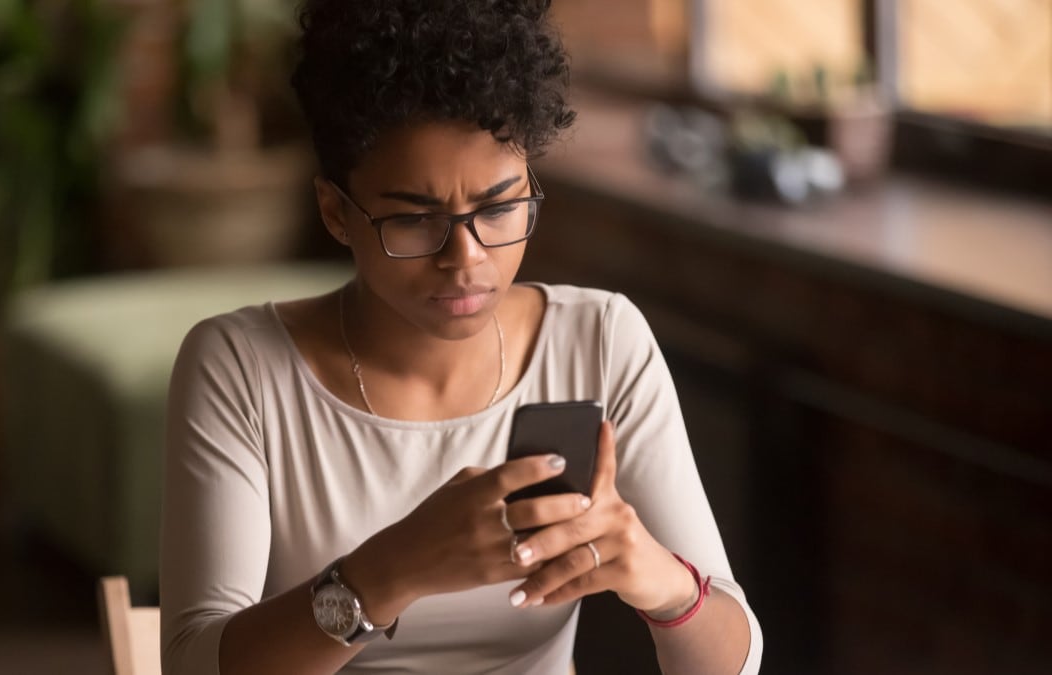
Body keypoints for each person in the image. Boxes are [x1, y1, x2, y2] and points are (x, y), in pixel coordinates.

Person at [159, 0, 763, 672]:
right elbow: (192, 664)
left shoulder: (599, 341)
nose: (467, 258)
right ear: (336, 211)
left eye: (500, 206)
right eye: (416, 221)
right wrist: (389, 571)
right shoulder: (240, 368)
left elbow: (733, 660)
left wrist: (661, 581)